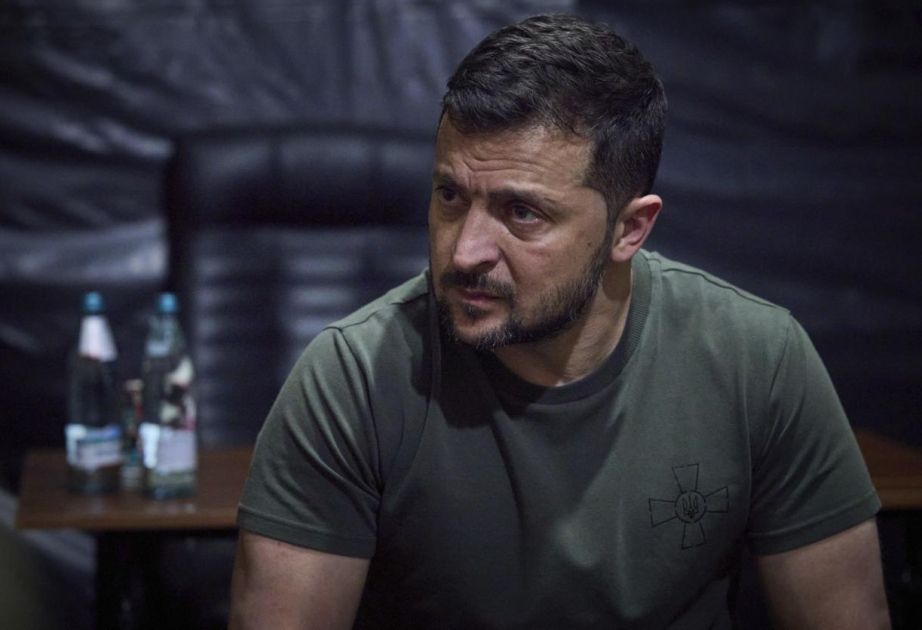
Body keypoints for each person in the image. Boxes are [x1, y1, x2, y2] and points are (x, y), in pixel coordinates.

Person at [229, 13, 890, 629]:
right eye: (450, 196)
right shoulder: (353, 378)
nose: (464, 251)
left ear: (629, 229)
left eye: (522, 213)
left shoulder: (756, 360)